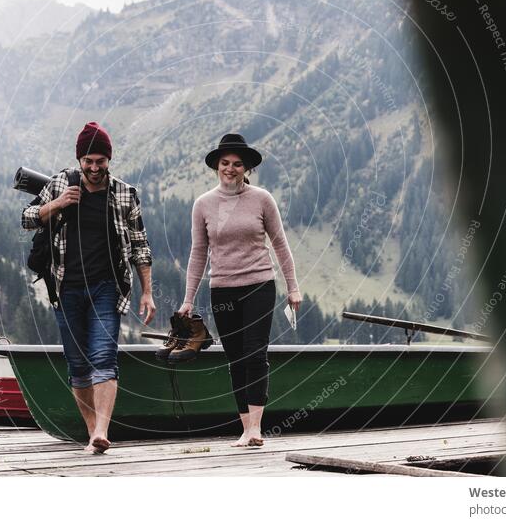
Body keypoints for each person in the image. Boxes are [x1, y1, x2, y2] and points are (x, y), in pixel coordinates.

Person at [21, 121, 156, 453]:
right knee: (78, 365)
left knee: (103, 357)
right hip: (65, 288)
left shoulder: (125, 194)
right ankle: (91, 430)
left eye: (100, 161)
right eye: (88, 162)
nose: (94, 168)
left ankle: (101, 432)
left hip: (106, 288)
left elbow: (140, 246)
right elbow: (26, 218)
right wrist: (58, 204)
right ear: (79, 160)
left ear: (109, 160)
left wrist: (148, 291)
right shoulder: (58, 185)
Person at [178, 133, 301, 447]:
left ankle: (257, 428)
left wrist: (293, 287)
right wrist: (188, 298)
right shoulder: (203, 205)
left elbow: (280, 244)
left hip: (259, 285)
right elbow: (198, 253)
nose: (230, 169)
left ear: (246, 169)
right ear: (217, 167)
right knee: (235, 358)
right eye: (225, 164)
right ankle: (245, 429)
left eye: (237, 164)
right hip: (222, 290)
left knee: (255, 352)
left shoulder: (262, 199)